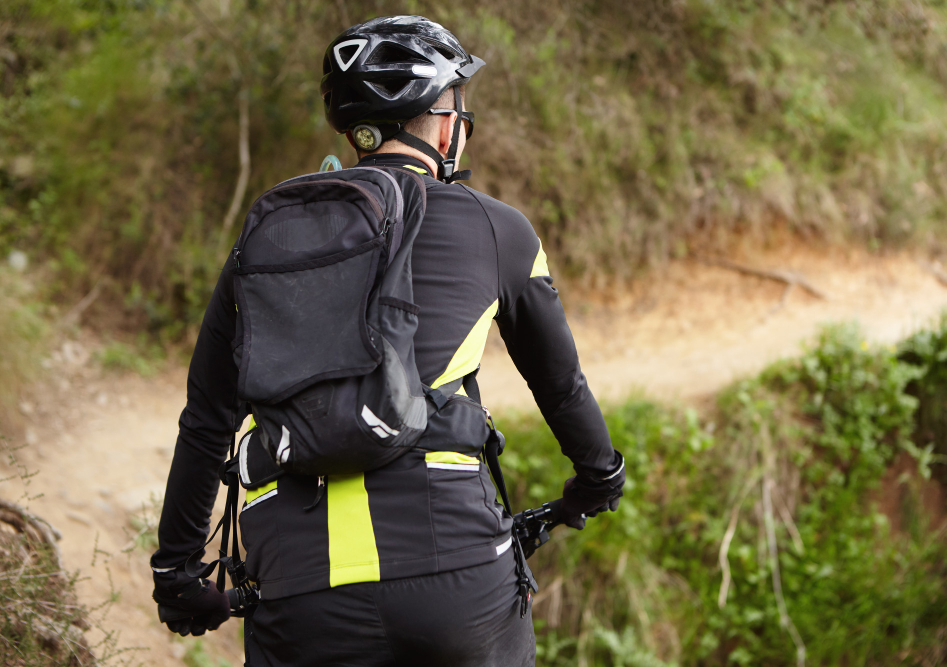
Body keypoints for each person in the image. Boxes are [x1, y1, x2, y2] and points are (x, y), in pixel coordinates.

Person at [149, 15, 625, 667]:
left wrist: (178, 576)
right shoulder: (498, 229)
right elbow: (561, 384)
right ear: (433, 117)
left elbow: (207, 419)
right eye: (455, 102)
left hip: (299, 587)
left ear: (355, 130)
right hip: (453, 577)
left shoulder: (266, 241)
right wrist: (598, 479)